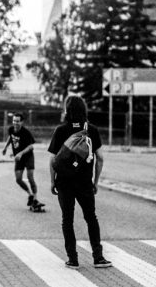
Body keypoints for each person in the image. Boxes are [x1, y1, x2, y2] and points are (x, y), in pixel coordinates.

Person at [47, 95, 112, 270]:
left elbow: (53, 160)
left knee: (67, 220)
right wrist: (95, 181)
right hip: (84, 183)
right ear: (84, 110)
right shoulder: (91, 130)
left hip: (64, 183)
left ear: (67, 110)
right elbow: (100, 158)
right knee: (91, 218)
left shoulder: (60, 130)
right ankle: (98, 258)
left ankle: (73, 259)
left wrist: (52, 181)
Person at [2, 113, 44, 209]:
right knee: (18, 179)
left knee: (30, 177)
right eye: (14, 121)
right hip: (18, 158)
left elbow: (30, 146)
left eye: (17, 121)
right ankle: (30, 195)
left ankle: (35, 199)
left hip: (28, 157)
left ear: (21, 122)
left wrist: (20, 153)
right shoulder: (11, 129)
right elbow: (10, 137)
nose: (15, 123)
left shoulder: (26, 133)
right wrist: (5, 147)